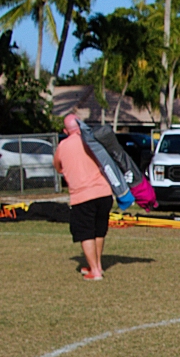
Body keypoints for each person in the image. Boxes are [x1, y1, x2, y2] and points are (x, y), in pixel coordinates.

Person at [54, 114, 114, 281]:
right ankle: (97, 265)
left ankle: (95, 271)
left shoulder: (63, 145)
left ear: (66, 130)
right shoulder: (93, 140)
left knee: (85, 232)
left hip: (82, 195)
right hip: (104, 192)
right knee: (99, 230)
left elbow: (58, 167)